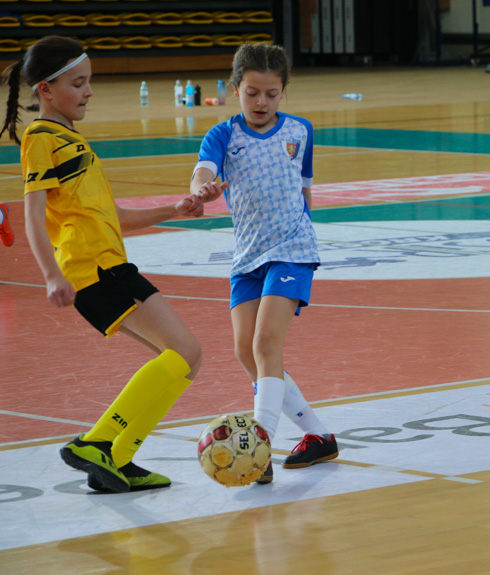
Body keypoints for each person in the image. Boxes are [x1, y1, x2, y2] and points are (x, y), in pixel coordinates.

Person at [0, 36, 207, 493]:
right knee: (187, 352)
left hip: (102, 266)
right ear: (45, 90)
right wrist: (50, 274)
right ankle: (96, 442)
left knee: (178, 362)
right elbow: (32, 216)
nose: (89, 91)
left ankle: (118, 458)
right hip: (95, 270)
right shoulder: (41, 138)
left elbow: (112, 217)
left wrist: (173, 209)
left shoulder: (72, 140)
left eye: (89, 81)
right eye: (78, 83)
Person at [192, 43, 338, 485]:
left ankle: (261, 448)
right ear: (236, 88)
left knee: (266, 341)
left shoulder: (300, 131)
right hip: (248, 254)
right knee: (246, 351)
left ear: (283, 93)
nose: (261, 103)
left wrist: (306, 235)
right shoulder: (223, 135)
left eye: (271, 94)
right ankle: (318, 436)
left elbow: (305, 187)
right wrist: (203, 189)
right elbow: (202, 170)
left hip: (293, 247)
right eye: (252, 92)